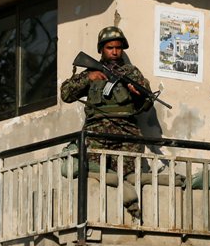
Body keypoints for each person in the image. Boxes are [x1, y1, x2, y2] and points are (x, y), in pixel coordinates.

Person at [61, 26, 154, 220]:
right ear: (101, 49)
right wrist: (88, 78)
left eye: (118, 48)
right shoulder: (91, 70)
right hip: (96, 133)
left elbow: (147, 102)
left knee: (130, 176)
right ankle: (95, 217)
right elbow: (66, 94)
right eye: (110, 47)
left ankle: (129, 214)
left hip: (126, 133)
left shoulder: (132, 73)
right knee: (97, 175)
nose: (114, 52)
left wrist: (139, 95)